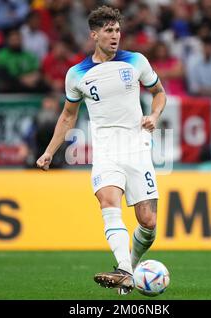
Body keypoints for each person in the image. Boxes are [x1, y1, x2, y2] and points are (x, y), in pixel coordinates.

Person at [36, 6, 166, 295]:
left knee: (148, 222)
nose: (115, 35)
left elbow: (159, 93)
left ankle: (129, 268)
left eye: (118, 30)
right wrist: (49, 151)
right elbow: (68, 116)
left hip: (137, 147)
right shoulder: (77, 74)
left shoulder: (136, 61)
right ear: (94, 35)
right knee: (108, 201)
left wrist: (154, 117)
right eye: (108, 30)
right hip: (106, 150)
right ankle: (123, 269)